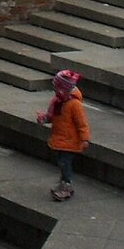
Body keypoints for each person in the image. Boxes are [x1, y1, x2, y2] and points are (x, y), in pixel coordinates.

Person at [38, 69, 91, 201]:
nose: (55, 91)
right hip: (61, 139)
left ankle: (66, 186)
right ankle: (64, 184)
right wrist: (44, 118)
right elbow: (53, 116)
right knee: (62, 163)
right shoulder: (58, 102)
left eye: (57, 88)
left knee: (65, 163)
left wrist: (85, 139)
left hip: (70, 141)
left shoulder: (74, 104)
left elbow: (82, 123)